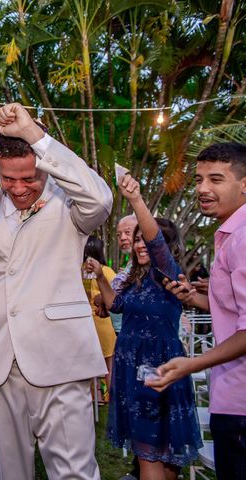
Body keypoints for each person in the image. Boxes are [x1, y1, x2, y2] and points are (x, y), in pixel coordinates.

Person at [0, 102, 112, 480]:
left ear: (41, 164)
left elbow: (101, 199)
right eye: (8, 179)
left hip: (61, 359)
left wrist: (35, 136)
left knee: (75, 474)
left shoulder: (70, 205)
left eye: (29, 179)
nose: (19, 188)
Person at [85, 174, 201, 479]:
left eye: (143, 238)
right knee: (152, 455)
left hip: (159, 367)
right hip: (131, 368)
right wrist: (99, 275)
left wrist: (135, 199)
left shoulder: (167, 272)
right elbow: (114, 306)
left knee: (158, 457)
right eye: (136, 238)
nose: (139, 243)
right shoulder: (135, 280)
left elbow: (156, 241)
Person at [148, 142, 246, 480]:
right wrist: (195, 299)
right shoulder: (229, 235)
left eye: (216, 179)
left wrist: (191, 364)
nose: (203, 189)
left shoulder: (243, 238)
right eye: (199, 179)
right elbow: (235, 312)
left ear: (244, 184)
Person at [82, 235, 116, 402]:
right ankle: (111, 397)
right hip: (102, 323)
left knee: (89, 366)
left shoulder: (79, 271)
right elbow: (117, 293)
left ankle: (96, 396)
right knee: (109, 365)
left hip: (84, 324)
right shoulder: (107, 271)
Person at [110, 215, 138, 334]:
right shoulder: (131, 264)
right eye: (118, 235)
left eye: (127, 232)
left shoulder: (151, 263)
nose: (122, 238)